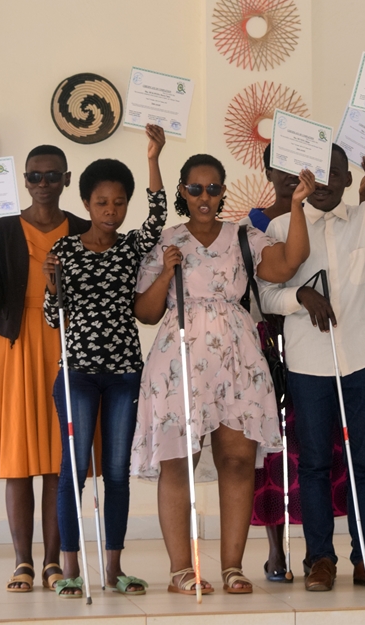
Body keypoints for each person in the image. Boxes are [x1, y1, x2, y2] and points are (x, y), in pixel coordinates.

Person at [130, 152, 314, 596]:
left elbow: (289, 263)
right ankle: (181, 569)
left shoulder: (243, 236)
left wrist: (297, 206)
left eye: (213, 188)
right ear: (182, 192)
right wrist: (166, 272)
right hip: (178, 362)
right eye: (195, 189)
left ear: (224, 192)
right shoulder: (167, 239)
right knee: (179, 463)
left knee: (235, 460)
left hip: (237, 359)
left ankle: (232, 565)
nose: (205, 197)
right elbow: (146, 311)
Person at [259, 108, 365, 592]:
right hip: (308, 366)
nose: (325, 182)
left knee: (363, 463)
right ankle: (319, 560)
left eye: (334, 172)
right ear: (303, 177)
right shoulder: (282, 229)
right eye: (316, 172)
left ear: (348, 179)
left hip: (359, 363)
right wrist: (301, 296)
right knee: (312, 465)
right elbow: (266, 295)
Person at [42, 124, 168, 597]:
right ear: (87, 204)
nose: (110, 211)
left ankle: (113, 569)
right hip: (75, 374)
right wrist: (53, 287)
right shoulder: (65, 251)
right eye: (101, 203)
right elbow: (54, 319)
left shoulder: (133, 247)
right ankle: (72, 568)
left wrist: (153, 157)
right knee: (74, 470)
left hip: (123, 374)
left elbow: (158, 215)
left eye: (118, 203)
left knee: (116, 471)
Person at [0, 144, 89, 593]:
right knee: (19, 461)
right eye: (35, 177)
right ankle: (22, 562)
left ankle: (53, 563)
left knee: (60, 461)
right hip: (17, 349)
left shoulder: (82, 229)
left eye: (52, 176)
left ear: (66, 179)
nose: (43, 185)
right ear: (24, 180)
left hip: (65, 347)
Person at [247, 145, 349, 583]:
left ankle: (319, 550)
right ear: (268, 171)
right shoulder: (253, 224)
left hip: (312, 346)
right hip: (267, 341)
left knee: (315, 450)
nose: (293, 174)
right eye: (281, 167)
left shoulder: (319, 216)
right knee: (272, 450)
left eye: (301, 164)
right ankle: (276, 550)